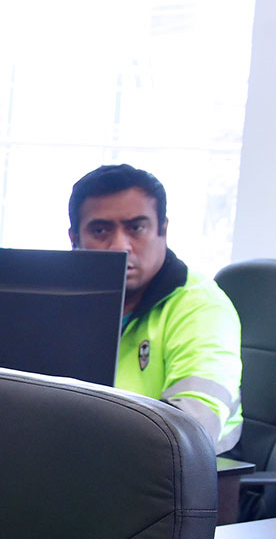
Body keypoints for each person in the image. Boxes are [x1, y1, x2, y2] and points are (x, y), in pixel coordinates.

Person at [68, 163, 243, 453]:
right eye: (100, 230)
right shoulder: (61, 300)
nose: (120, 246)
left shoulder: (201, 307)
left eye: (136, 228)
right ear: (75, 239)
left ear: (162, 230)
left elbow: (192, 434)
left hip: (182, 481)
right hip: (84, 464)